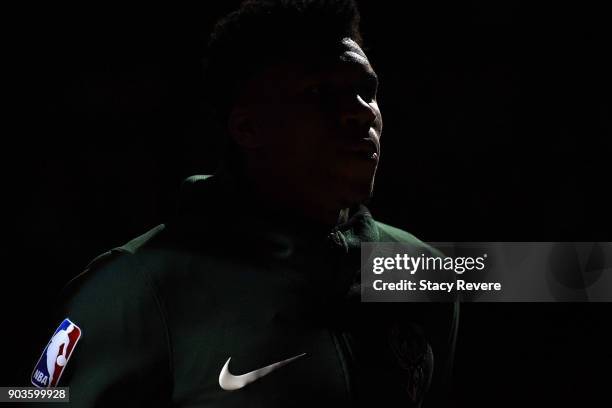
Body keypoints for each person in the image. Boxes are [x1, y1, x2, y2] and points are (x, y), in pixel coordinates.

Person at [30, 0, 458, 406]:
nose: (362, 113)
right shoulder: (136, 288)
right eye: (320, 93)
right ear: (248, 128)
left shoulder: (423, 269)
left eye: (367, 90)